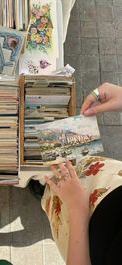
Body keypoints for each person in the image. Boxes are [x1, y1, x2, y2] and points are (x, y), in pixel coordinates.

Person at [40, 82, 122, 265]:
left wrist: (77, 208)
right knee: (76, 166)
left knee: (56, 189)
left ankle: (45, 189)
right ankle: (50, 184)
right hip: (110, 182)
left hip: (82, 233)